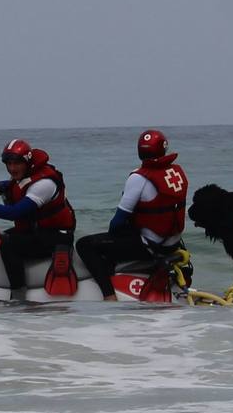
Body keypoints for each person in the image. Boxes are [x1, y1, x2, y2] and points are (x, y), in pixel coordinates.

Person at [76, 129, 188, 300]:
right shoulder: (177, 172)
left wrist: (114, 238)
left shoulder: (139, 178)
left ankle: (109, 295)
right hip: (173, 244)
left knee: (85, 245)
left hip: (150, 246)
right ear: (163, 149)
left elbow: (117, 222)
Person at [0, 139, 76, 297]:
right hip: (39, 229)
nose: (12, 168)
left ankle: (18, 293)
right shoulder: (28, 174)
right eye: (9, 164)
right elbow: (13, 184)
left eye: (17, 163)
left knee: (9, 244)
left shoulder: (44, 184)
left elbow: (14, 213)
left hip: (57, 237)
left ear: (27, 162)